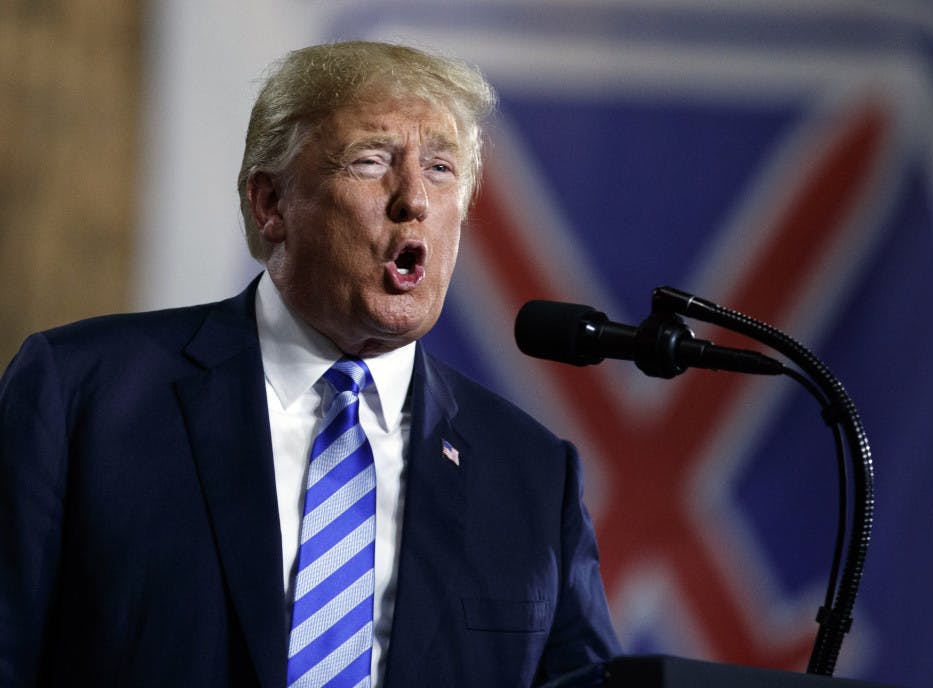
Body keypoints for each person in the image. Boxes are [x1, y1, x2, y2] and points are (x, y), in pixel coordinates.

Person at [0, 41, 620, 687]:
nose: (414, 199)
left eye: (441, 168)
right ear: (271, 205)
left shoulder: (531, 475)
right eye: (371, 160)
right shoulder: (82, 397)